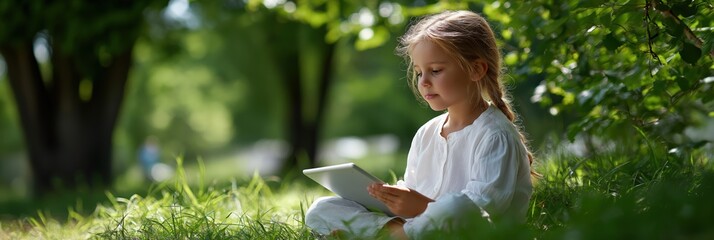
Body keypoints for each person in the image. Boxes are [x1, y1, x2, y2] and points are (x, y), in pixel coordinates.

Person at [305, 10, 534, 239]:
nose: (423, 82)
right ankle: (394, 234)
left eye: (435, 71)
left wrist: (421, 207)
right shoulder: (426, 133)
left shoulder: (495, 135)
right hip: (419, 227)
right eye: (418, 73)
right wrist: (393, 197)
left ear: (476, 69)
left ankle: (383, 235)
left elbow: (479, 214)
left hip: (472, 232)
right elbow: (414, 191)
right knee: (322, 209)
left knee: (456, 207)